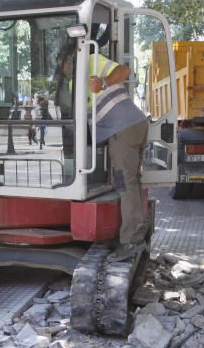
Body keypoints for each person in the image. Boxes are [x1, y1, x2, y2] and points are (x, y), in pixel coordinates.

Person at [57, 43, 149, 260]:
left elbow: (125, 70)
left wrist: (104, 83)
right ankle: (136, 229)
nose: (63, 70)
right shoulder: (74, 85)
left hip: (124, 128)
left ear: (70, 60)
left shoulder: (91, 61)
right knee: (132, 181)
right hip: (132, 126)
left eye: (63, 65)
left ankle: (130, 241)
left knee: (125, 182)